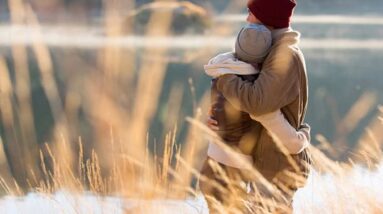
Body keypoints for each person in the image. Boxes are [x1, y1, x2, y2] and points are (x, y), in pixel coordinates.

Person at [199, 0, 312, 213]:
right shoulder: (270, 51)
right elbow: (254, 105)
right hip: (266, 161)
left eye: (251, 13)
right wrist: (221, 118)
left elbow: (258, 104)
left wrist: (224, 77)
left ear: (266, 18)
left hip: (279, 166)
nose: (247, 19)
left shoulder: (284, 55)